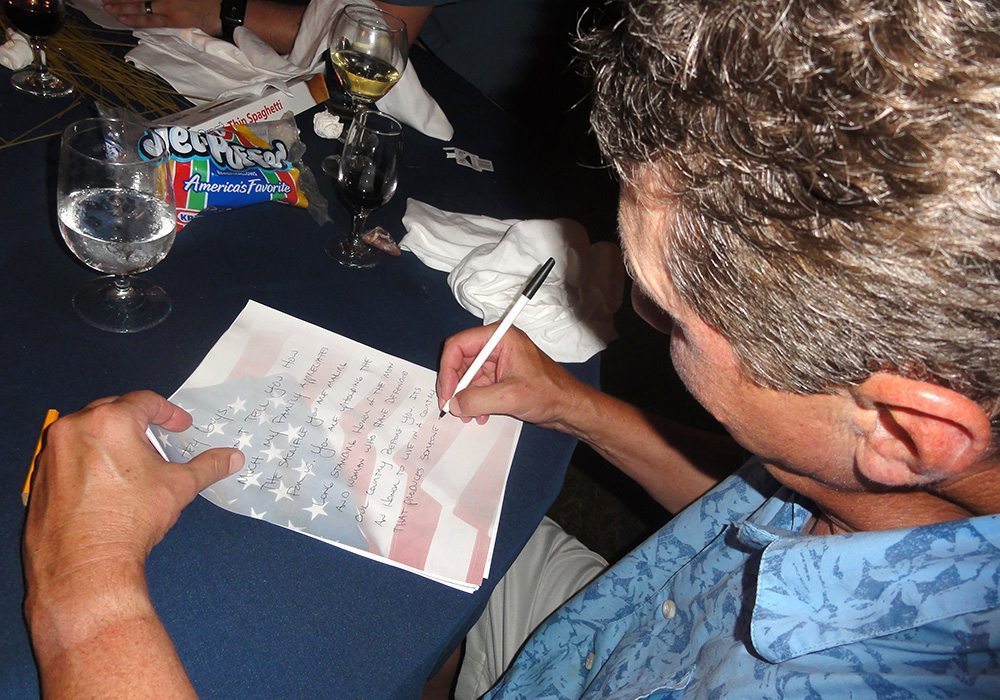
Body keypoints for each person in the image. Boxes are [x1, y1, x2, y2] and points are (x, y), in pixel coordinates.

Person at [22, 0, 999, 697]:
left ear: (909, 431)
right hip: (603, 619)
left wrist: (87, 599)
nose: (632, 315)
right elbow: (764, 505)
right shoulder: (884, 477)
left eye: (670, 314)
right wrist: (574, 406)